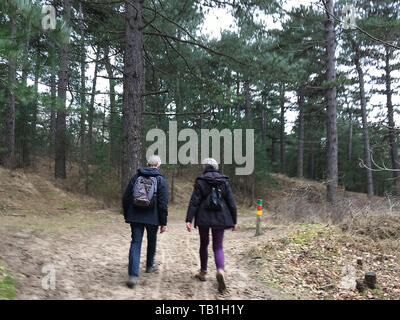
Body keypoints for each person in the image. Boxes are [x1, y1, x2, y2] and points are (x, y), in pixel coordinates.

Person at [185, 158, 237, 293]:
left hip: (203, 218)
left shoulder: (200, 180)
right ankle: (220, 269)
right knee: (218, 246)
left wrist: (189, 219)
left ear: (205, 167)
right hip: (220, 218)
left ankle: (203, 272)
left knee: (204, 244)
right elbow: (231, 201)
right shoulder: (224, 180)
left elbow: (194, 201)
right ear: (216, 167)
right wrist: (234, 220)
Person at [122, 155, 168, 288]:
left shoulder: (136, 177)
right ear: (158, 166)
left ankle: (132, 275)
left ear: (147, 164)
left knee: (136, 242)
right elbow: (163, 203)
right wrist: (163, 222)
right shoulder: (160, 180)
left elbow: (126, 197)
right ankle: (149, 265)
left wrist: (127, 213)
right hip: (153, 217)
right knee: (152, 240)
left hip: (135, 214)